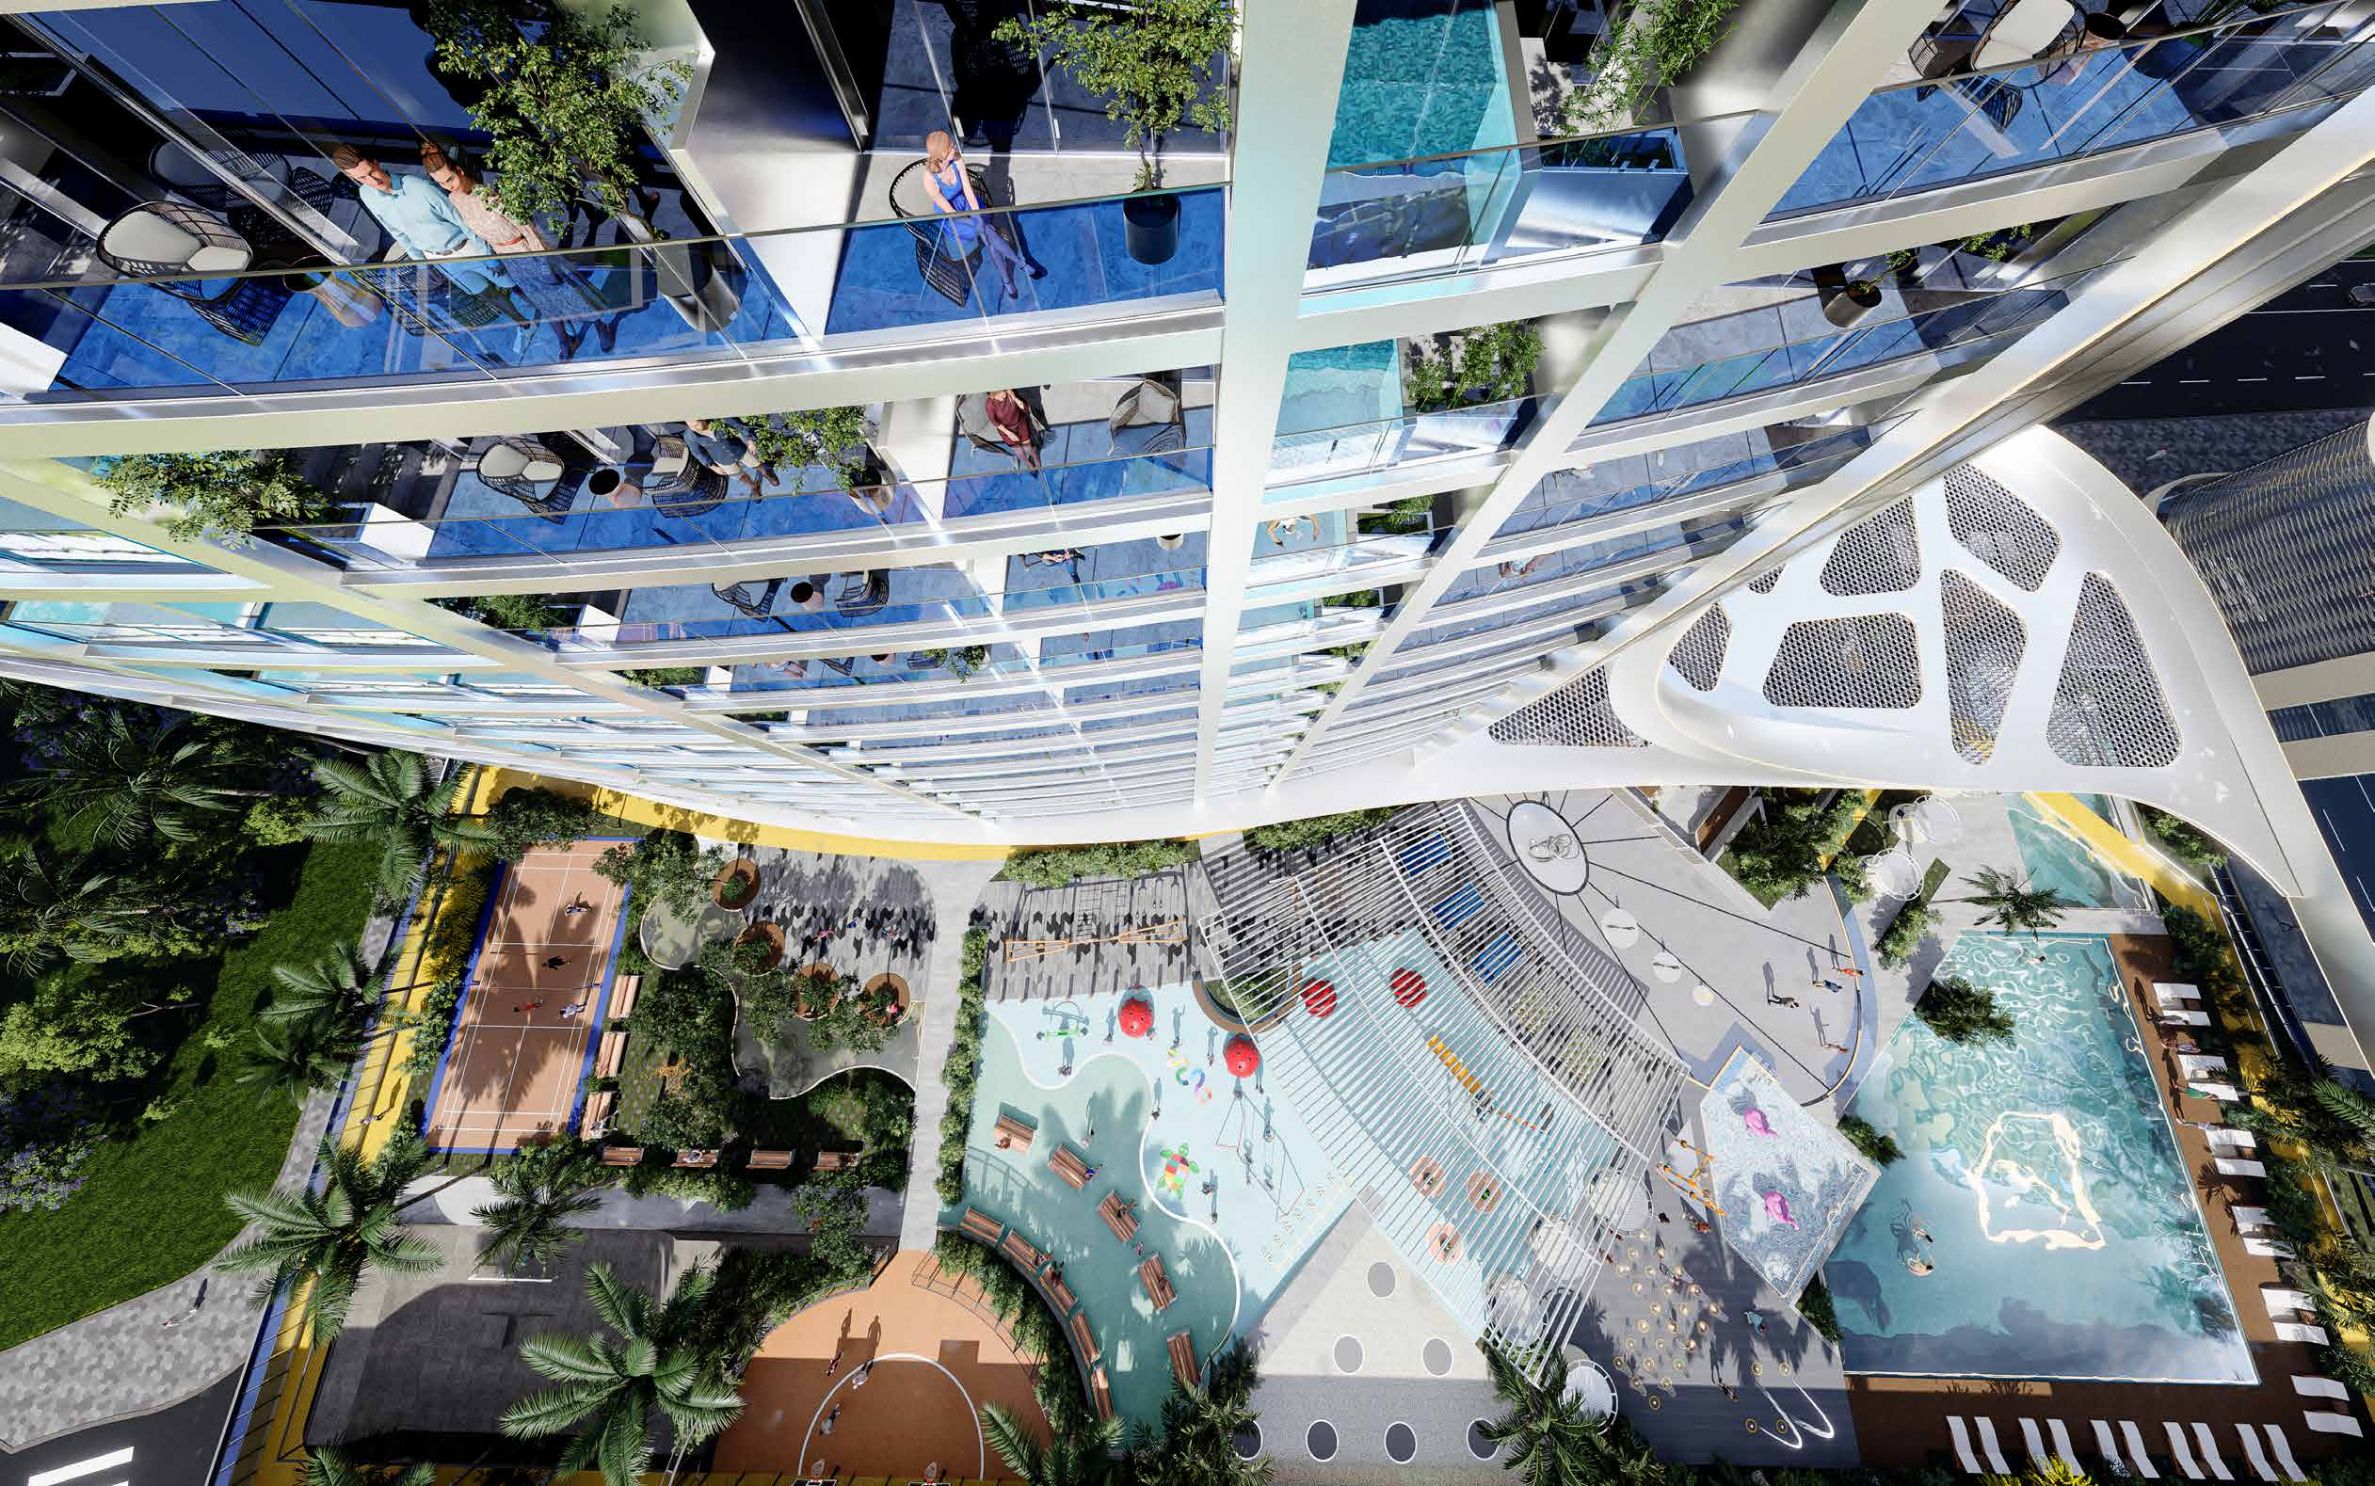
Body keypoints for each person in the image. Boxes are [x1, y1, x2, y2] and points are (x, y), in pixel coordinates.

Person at [330, 143, 533, 351]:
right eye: (362, 178)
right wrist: (422, 264)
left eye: (371, 172)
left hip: (467, 248)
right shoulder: (367, 195)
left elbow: (463, 221)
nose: (373, 181)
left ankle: (547, 309)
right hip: (441, 260)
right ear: (353, 177)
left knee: (515, 285)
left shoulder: (420, 188)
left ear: (376, 162)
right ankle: (524, 324)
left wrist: (487, 255)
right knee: (486, 294)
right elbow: (398, 233)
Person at [420, 140, 613, 355]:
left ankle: (599, 325)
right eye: (442, 183)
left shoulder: (489, 194)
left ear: (459, 171)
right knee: (541, 299)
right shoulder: (455, 200)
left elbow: (526, 226)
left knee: (567, 292)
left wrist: (541, 257)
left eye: (450, 179)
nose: (449, 186)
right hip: (508, 257)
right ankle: (564, 340)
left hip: (528, 249)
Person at [922, 130, 1042, 299]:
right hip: (951, 217)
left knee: (987, 234)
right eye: (951, 146)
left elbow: (968, 191)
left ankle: (1007, 279)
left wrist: (977, 215)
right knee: (986, 231)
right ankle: (1020, 264)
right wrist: (974, 223)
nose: (955, 147)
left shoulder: (957, 160)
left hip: (966, 203)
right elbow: (949, 211)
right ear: (942, 153)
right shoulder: (929, 178)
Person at [683, 417, 765, 497]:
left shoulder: (718, 420)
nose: (694, 429)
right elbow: (698, 453)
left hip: (737, 449)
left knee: (756, 464)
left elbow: (738, 425)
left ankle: (767, 474)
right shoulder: (689, 435)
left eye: (696, 425)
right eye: (690, 426)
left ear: (703, 419)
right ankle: (753, 486)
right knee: (738, 476)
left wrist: (749, 440)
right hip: (722, 459)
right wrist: (712, 466)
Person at [983, 387, 1041, 469]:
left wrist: (1017, 400)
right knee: (1019, 451)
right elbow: (995, 422)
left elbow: (1025, 408)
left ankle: (1035, 458)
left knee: (1028, 448)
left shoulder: (1009, 393)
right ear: (993, 394)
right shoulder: (990, 404)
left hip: (1020, 424)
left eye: (1004, 392)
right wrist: (1009, 433)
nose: (1004, 395)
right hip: (1006, 430)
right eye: (1001, 394)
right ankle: (1027, 462)